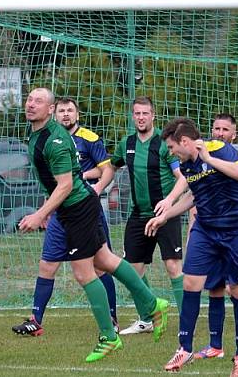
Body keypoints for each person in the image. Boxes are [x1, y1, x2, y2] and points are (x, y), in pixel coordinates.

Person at [18, 88, 168, 363]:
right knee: (105, 260)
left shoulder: (56, 140)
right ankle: (152, 303)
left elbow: (65, 186)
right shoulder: (37, 133)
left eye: (38, 101)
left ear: (50, 109)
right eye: (29, 99)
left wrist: (40, 214)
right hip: (71, 208)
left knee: (83, 272)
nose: (31, 104)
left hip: (77, 208)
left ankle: (109, 337)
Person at [146, 118, 238, 377]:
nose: (171, 153)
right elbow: (193, 195)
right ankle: (184, 348)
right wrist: (165, 215)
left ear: (185, 142)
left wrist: (209, 158)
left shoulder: (218, 148)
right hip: (206, 229)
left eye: (173, 147)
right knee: (191, 283)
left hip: (237, 231)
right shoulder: (186, 165)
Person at [12, 97, 118, 336]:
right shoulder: (45, 136)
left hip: (82, 208)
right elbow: (55, 181)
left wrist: (97, 187)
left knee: (100, 265)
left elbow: (106, 169)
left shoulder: (87, 138)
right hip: (60, 209)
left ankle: (113, 319)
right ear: (54, 113)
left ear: (77, 115)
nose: (66, 114)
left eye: (70, 110)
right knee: (47, 263)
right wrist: (47, 209)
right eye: (62, 110)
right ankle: (35, 320)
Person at [110, 96, 188, 335]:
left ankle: (187, 322)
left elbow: (182, 178)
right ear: (132, 116)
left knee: (173, 266)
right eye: (137, 113)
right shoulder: (126, 143)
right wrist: (93, 188)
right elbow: (110, 168)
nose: (141, 117)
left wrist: (168, 202)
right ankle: (147, 318)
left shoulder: (164, 144)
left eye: (145, 113)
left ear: (153, 115)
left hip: (164, 214)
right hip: (138, 215)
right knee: (132, 270)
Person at [187, 113, 238, 361]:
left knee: (237, 289)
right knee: (214, 287)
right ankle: (215, 345)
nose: (219, 133)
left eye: (225, 129)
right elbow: (196, 199)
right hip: (211, 233)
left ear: (234, 134)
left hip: (235, 234)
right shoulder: (202, 161)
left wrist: (231, 224)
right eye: (216, 128)